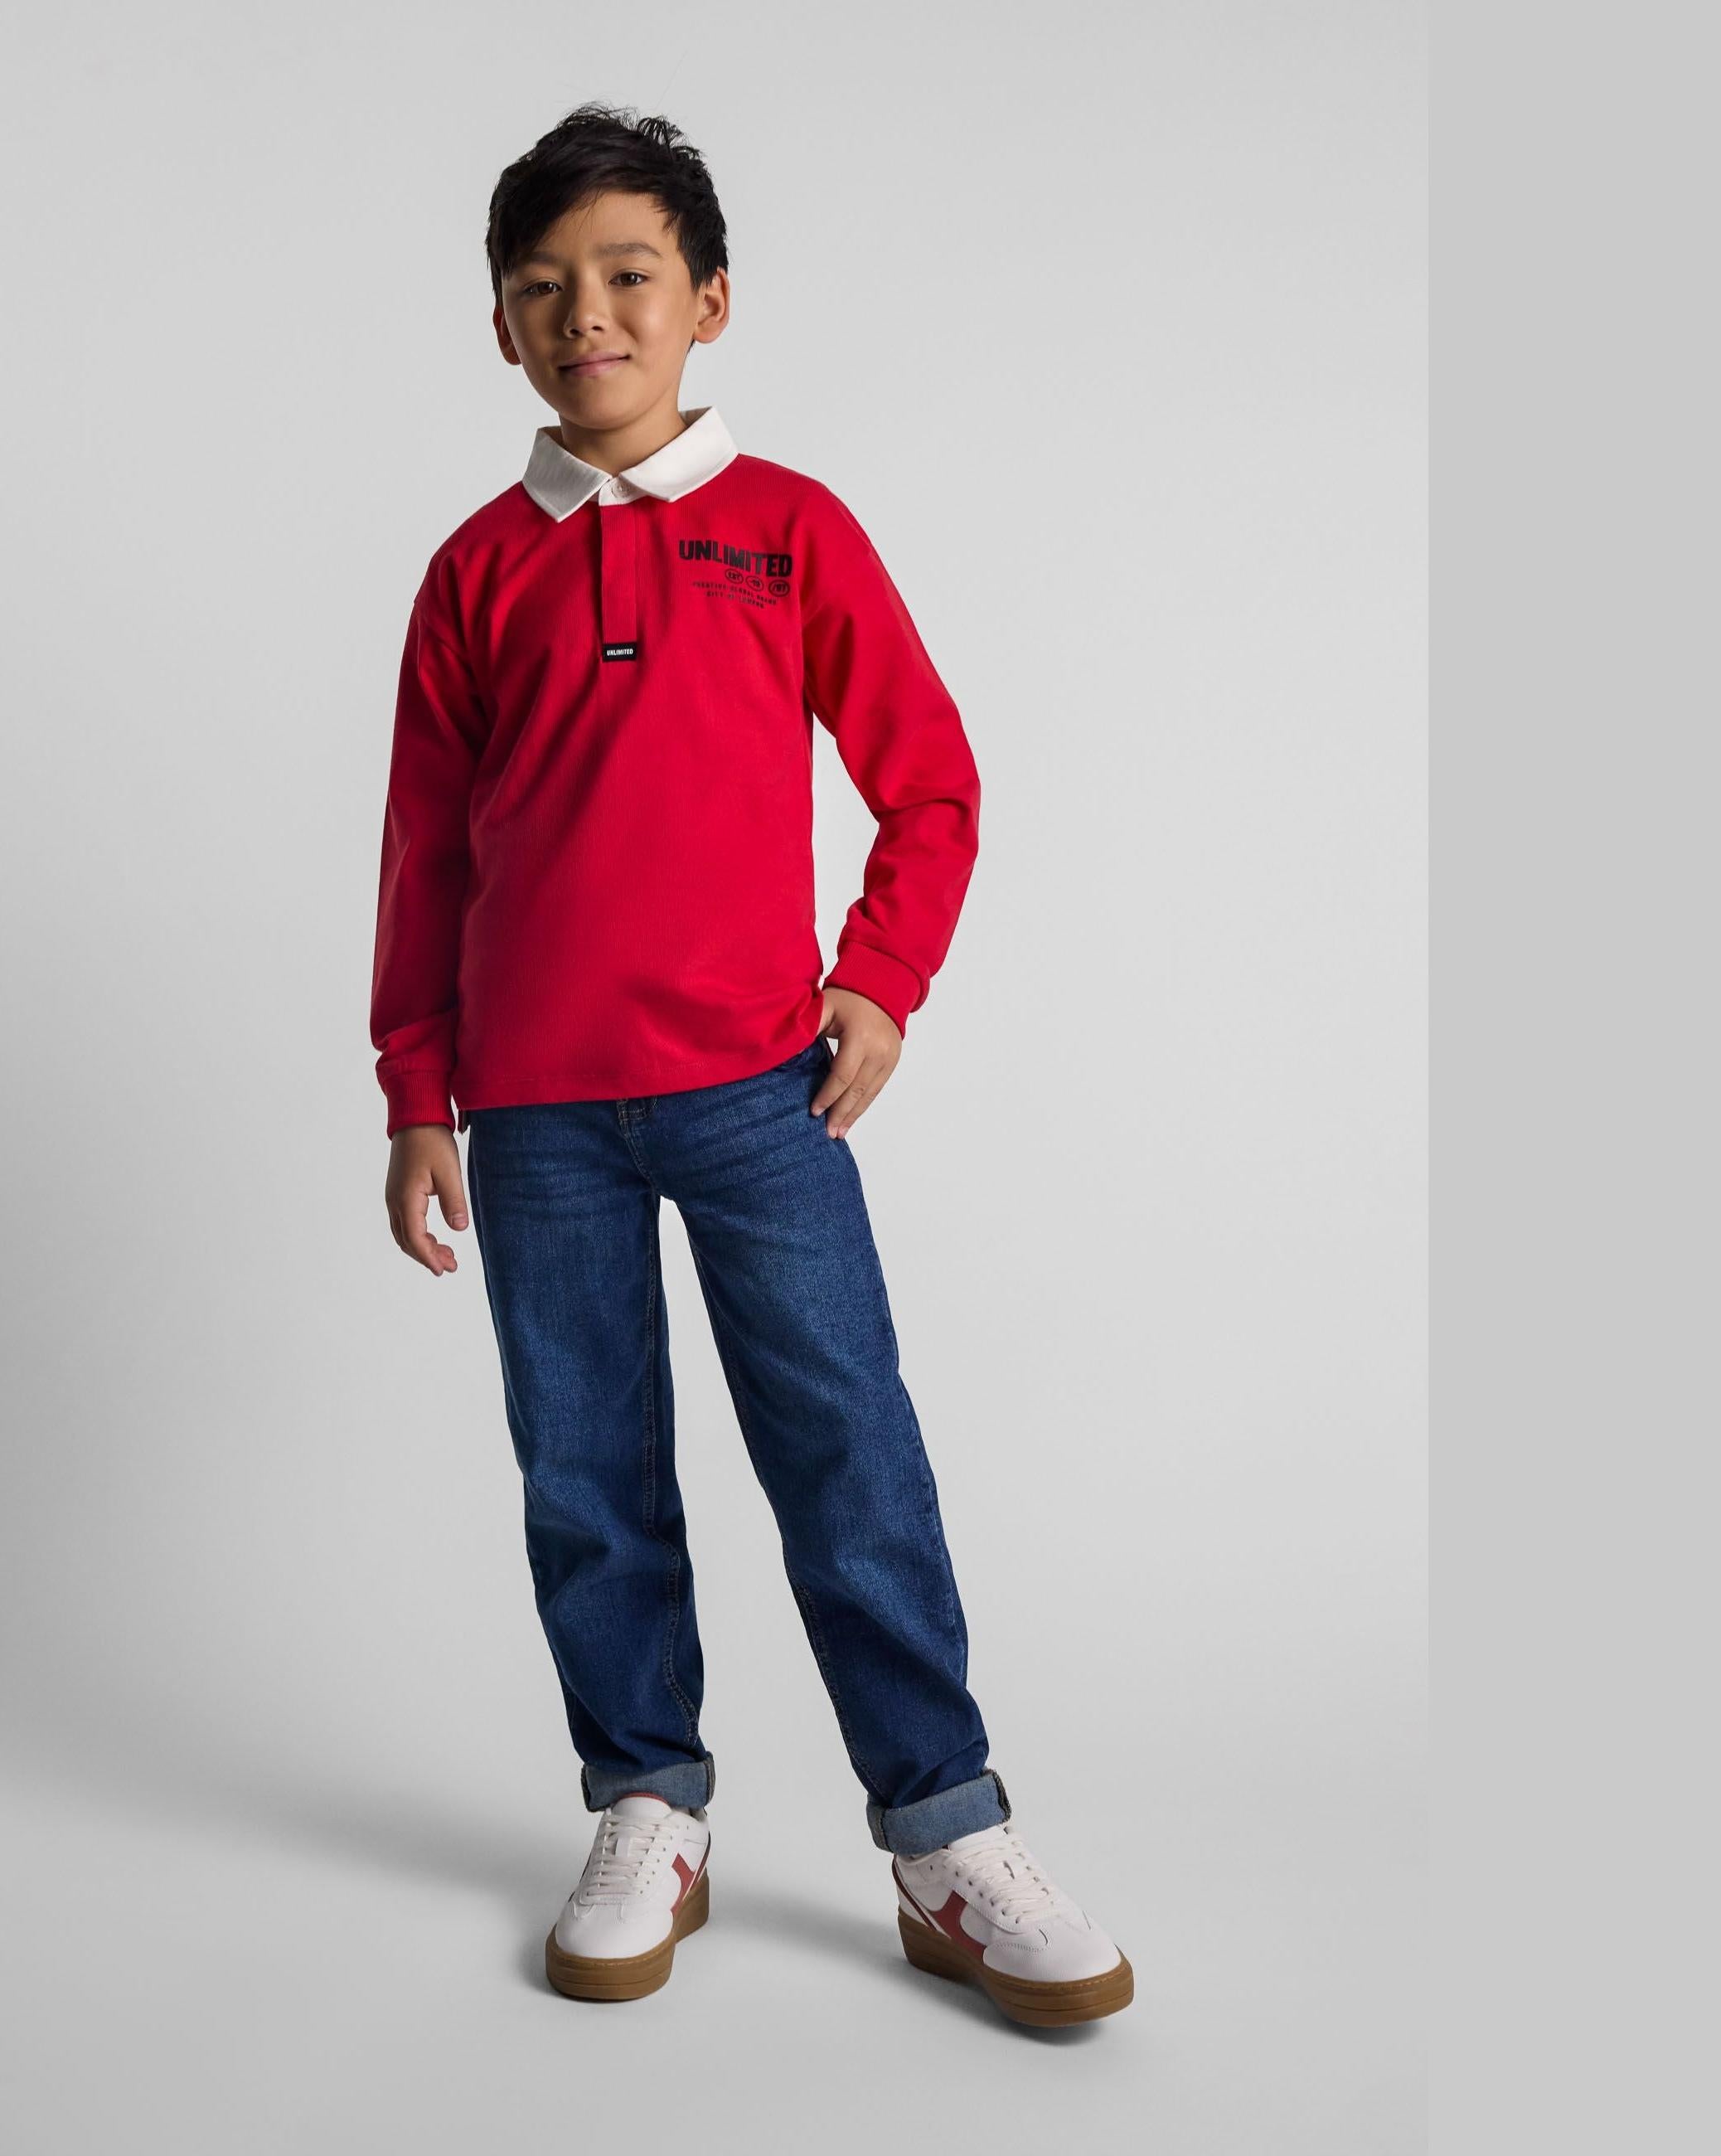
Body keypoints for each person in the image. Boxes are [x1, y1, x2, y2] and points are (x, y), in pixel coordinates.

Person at [367, 101, 1132, 2027]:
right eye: (542, 287)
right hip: (534, 1111)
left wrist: (880, 981)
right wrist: (413, 1089)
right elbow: (424, 849)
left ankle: (945, 1832)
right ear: (499, 326)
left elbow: (929, 780)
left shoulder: (789, 530)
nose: (586, 316)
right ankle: (646, 1802)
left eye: (627, 276)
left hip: (757, 1091)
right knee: (584, 1467)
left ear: (707, 301)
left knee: (845, 1442)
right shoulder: (474, 571)